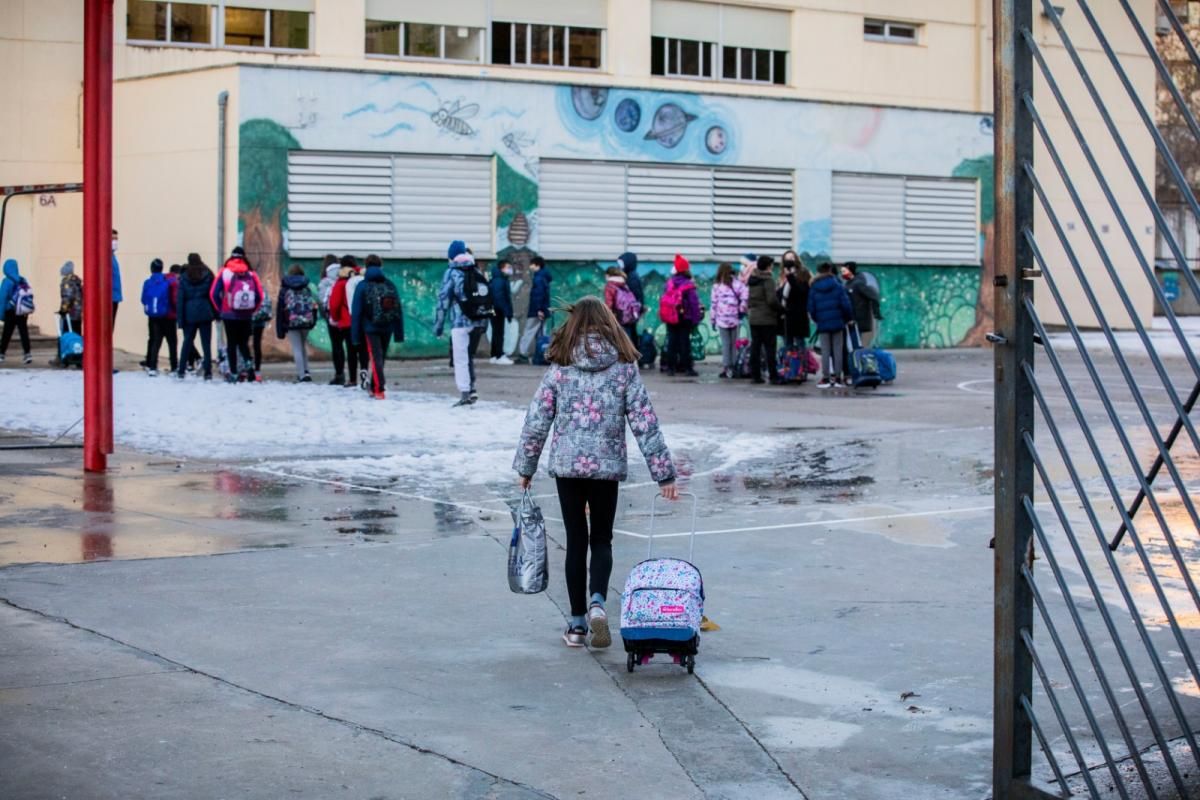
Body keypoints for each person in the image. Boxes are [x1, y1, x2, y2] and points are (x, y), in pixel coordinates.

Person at [513, 296, 678, 649]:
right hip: (607, 467)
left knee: (576, 541)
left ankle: (576, 625)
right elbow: (645, 422)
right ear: (608, 323)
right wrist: (664, 474)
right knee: (602, 538)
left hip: (569, 468)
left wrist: (526, 468)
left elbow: (536, 422)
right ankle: (598, 603)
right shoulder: (623, 367)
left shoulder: (559, 367)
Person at [435, 240, 489, 406]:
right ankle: (472, 388)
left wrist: (438, 325)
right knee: (469, 356)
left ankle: (465, 392)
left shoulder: (451, 273)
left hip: (460, 322)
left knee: (461, 358)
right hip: (479, 320)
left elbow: (443, 300)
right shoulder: (475, 269)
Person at [351, 255, 405, 399]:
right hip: (388, 326)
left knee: (375, 357)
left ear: (366, 267)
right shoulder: (390, 284)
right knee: (380, 357)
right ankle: (376, 386)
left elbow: (356, 312)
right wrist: (399, 333)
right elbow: (398, 309)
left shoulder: (362, 286)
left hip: (370, 327)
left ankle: (378, 389)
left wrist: (355, 337)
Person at [209, 246, 264, 382]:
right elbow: (260, 295)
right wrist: (252, 310)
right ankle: (250, 367)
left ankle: (233, 373)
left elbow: (213, 293)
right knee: (243, 344)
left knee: (232, 344)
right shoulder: (251, 274)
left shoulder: (224, 272)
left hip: (229, 314)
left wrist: (220, 309)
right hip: (246, 315)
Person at [808, 262, 853, 389]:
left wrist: (818, 319)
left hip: (822, 323)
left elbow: (811, 308)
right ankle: (838, 378)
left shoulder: (814, 287)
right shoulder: (838, 285)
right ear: (830, 270)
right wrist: (848, 318)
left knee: (826, 351)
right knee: (838, 350)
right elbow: (846, 305)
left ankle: (826, 378)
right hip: (838, 322)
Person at [275, 264, 319, 383]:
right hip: (306, 321)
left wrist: (280, 328)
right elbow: (313, 305)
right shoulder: (307, 286)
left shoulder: (285, 288)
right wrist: (313, 320)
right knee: (303, 347)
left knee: (297, 348)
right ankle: (307, 371)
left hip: (292, 321)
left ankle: (301, 375)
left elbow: (280, 308)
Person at [661, 254, 703, 377]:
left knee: (672, 342)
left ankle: (670, 368)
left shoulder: (669, 283)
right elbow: (694, 303)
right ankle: (688, 368)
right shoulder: (688, 285)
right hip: (685, 317)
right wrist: (696, 320)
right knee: (685, 343)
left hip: (671, 317)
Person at [177, 254, 216, 380]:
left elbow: (180, 300)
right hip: (205, 312)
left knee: (187, 342)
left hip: (189, 313)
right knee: (206, 344)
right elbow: (213, 295)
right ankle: (208, 372)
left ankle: (181, 370)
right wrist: (215, 312)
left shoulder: (183, 277)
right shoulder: (207, 274)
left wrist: (180, 320)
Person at [746, 255, 783, 385]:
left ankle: (755, 375)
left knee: (755, 347)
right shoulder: (768, 280)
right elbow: (772, 300)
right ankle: (773, 375)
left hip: (754, 318)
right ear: (768, 266)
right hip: (767, 319)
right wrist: (781, 309)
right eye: (772, 265)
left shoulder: (753, 279)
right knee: (770, 349)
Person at [710, 262, 748, 379]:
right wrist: (741, 309)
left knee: (726, 344)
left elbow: (714, 304)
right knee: (734, 344)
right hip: (735, 318)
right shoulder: (738, 284)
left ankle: (727, 368)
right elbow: (745, 297)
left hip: (722, 319)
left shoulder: (717, 286)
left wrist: (713, 320)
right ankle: (735, 366)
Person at [327, 256, 360, 388]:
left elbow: (334, 304)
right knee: (361, 351)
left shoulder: (341, 283)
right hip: (361, 320)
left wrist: (335, 318)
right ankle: (363, 374)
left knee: (348, 350)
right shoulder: (360, 279)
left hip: (346, 321)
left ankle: (350, 378)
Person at [140, 259, 177, 376]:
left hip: (153, 316)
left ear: (151, 269)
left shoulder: (147, 282)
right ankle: (174, 367)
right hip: (168, 315)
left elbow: (143, 299)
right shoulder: (169, 281)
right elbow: (173, 297)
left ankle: (152, 366)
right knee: (172, 342)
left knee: (156, 341)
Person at [516, 256, 552, 362]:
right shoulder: (544, 277)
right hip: (542, 310)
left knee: (529, 331)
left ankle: (523, 354)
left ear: (537, 265)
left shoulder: (539, 278)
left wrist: (538, 310)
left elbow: (538, 295)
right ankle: (541, 355)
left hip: (536, 311)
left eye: (532, 264)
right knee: (541, 333)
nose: (530, 267)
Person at [316, 254, 343, 384]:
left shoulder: (325, 281)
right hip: (347, 317)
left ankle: (339, 374)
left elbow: (321, 301)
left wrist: (326, 316)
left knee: (337, 346)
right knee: (351, 347)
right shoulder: (345, 276)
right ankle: (355, 375)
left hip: (332, 318)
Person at [842, 261, 882, 349]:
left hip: (856, 319)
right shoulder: (848, 284)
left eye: (844, 271)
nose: (842, 273)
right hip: (849, 318)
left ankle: (857, 360)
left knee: (855, 343)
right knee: (851, 343)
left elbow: (873, 295)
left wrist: (876, 311)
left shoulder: (858, 284)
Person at [0, 259, 32, 364]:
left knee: (6, 333)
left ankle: (1, 353)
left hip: (10, 311)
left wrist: (1, 314)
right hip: (22, 311)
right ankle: (27, 354)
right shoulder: (23, 280)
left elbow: (2, 299)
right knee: (24, 332)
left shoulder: (6, 281)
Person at [779, 251, 811, 351]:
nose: (789, 260)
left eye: (792, 257)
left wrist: (790, 277)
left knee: (800, 342)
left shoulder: (803, 272)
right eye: (787, 258)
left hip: (798, 314)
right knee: (787, 343)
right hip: (786, 314)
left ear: (796, 259)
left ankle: (803, 365)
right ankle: (789, 365)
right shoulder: (782, 275)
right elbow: (781, 294)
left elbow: (802, 291)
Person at [488, 258, 514, 365]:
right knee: (499, 333)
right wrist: (506, 311)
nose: (510, 270)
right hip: (498, 310)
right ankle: (499, 355)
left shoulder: (497, 279)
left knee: (496, 332)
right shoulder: (500, 280)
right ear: (502, 268)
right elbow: (500, 298)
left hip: (494, 309)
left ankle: (495, 355)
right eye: (508, 267)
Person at [250, 271, 272, 383]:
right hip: (260, 320)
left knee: (243, 344)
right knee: (256, 344)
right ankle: (257, 370)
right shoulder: (262, 288)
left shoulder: (246, 287)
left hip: (247, 319)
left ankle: (247, 368)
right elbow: (268, 303)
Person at [618, 251, 644, 341]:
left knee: (628, 336)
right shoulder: (628, 276)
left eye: (621, 263)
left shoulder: (632, 278)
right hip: (629, 313)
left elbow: (635, 296)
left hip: (629, 313)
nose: (620, 266)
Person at [59, 260, 83, 350]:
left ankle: (64, 354)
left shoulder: (67, 282)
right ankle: (78, 353)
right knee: (77, 335)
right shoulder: (77, 281)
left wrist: (63, 310)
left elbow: (67, 297)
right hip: (78, 312)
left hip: (70, 313)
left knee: (66, 335)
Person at [111, 229, 122, 323]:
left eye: (116, 239)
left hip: (115, 296)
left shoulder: (113, 257)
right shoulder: (106, 257)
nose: (115, 242)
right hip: (110, 297)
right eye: (113, 239)